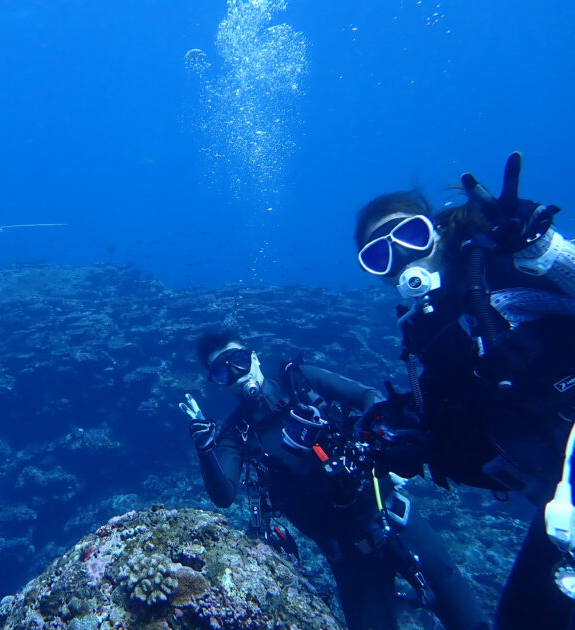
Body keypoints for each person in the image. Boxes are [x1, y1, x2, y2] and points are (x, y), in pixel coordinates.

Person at [353, 152, 575, 629]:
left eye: (409, 235)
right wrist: (413, 438)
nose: (403, 258)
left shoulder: (497, 266)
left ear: (433, 230)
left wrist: (547, 253)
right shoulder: (423, 337)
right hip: (562, 505)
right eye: (380, 256)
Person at [180, 329, 488, 630]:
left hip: (393, 517)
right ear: (218, 385)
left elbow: (367, 396)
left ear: (255, 358)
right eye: (222, 373)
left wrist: (378, 438)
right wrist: (206, 450)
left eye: (239, 362)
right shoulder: (237, 433)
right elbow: (224, 496)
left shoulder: (301, 380)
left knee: (468, 619)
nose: (236, 375)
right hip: (347, 556)